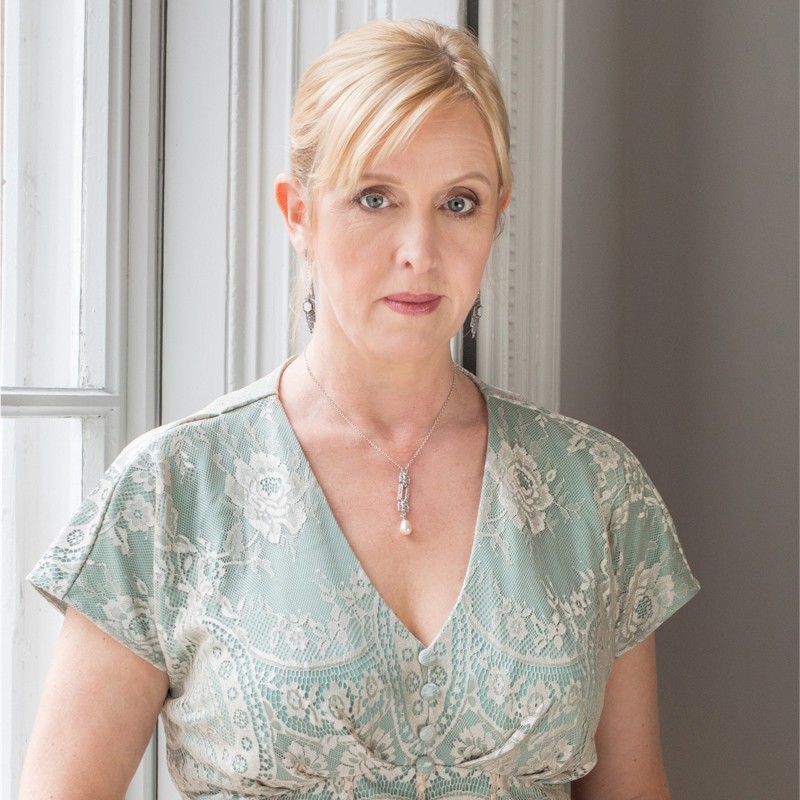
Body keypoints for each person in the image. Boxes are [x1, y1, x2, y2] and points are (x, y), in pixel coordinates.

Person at [19, 19, 699, 800]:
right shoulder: (171, 490)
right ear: (298, 213)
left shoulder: (597, 491)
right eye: (375, 198)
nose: (420, 250)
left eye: (459, 203)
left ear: (498, 217)